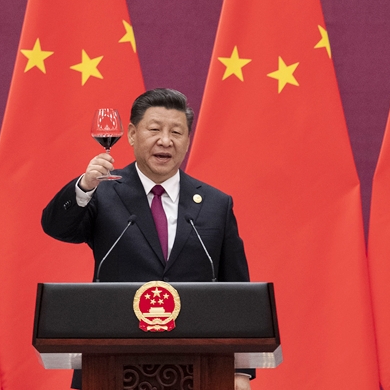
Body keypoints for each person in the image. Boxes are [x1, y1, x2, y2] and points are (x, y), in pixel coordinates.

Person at [42, 88, 254, 390]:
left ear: (187, 141)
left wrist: (241, 373)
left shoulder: (216, 204)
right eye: (154, 129)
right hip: (112, 363)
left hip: (198, 366)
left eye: (176, 132)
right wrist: (85, 185)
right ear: (131, 134)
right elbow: (56, 227)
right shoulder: (103, 193)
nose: (165, 140)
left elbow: (237, 292)